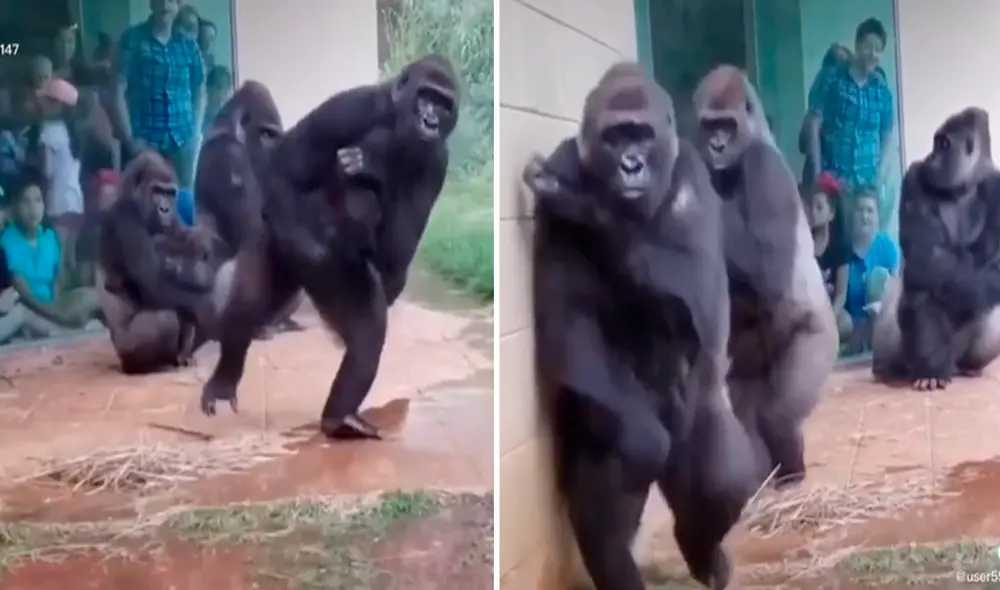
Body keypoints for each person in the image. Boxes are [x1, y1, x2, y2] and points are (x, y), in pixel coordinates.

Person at [115, 0, 206, 188]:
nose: (165, 4)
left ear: (178, 5)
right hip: (146, 141)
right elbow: (117, 89)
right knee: (147, 203)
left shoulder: (188, 45)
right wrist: (130, 138)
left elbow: (199, 89)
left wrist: (196, 134)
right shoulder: (133, 40)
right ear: (151, 3)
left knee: (183, 201)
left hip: (182, 140)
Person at [0, 170, 100, 338]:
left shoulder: (49, 236)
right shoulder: (8, 240)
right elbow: (22, 290)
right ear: (16, 207)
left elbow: (59, 278)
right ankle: (66, 332)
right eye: (26, 202)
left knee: (91, 296)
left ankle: (74, 328)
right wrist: (57, 314)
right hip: (31, 306)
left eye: (38, 201)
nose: (33, 209)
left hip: (54, 303)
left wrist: (79, 278)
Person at [803, 18, 895, 195]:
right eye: (868, 46)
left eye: (878, 49)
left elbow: (887, 134)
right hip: (833, 180)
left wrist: (880, 177)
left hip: (866, 186)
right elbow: (814, 122)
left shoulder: (882, 91)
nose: (872, 53)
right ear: (857, 45)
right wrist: (816, 173)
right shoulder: (832, 78)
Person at [28, 78, 85, 274]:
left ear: (58, 105)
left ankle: (58, 302)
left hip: (57, 202)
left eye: (46, 100)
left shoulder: (48, 133)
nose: (40, 104)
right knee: (70, 259)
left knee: (56, 261)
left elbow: (47, 171)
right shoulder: (72, 133)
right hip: (76, 201)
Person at [842, 190, 899, 352]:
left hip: (880, 320)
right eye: (860, 210)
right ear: (852, 214)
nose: (865, 216)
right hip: (852, 326)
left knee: (877, 277)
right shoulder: (843, 249)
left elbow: (895, 291)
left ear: (877, 216)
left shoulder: (887, 246)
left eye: (870, 210)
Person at [806, 172, 851, 341]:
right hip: (808, 307)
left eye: (819, 207)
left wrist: (829, 318)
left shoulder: (841, 246)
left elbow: (841, 294)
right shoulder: (803, 242)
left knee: (845, 323)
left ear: (831, 214)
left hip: (831, 307)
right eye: (811, 207)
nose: (812, 212)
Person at [202, 65, 232, 135]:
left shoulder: (232, 123)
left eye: (224, 91)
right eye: (218, 88)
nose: (220, 95)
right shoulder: (198, 120)